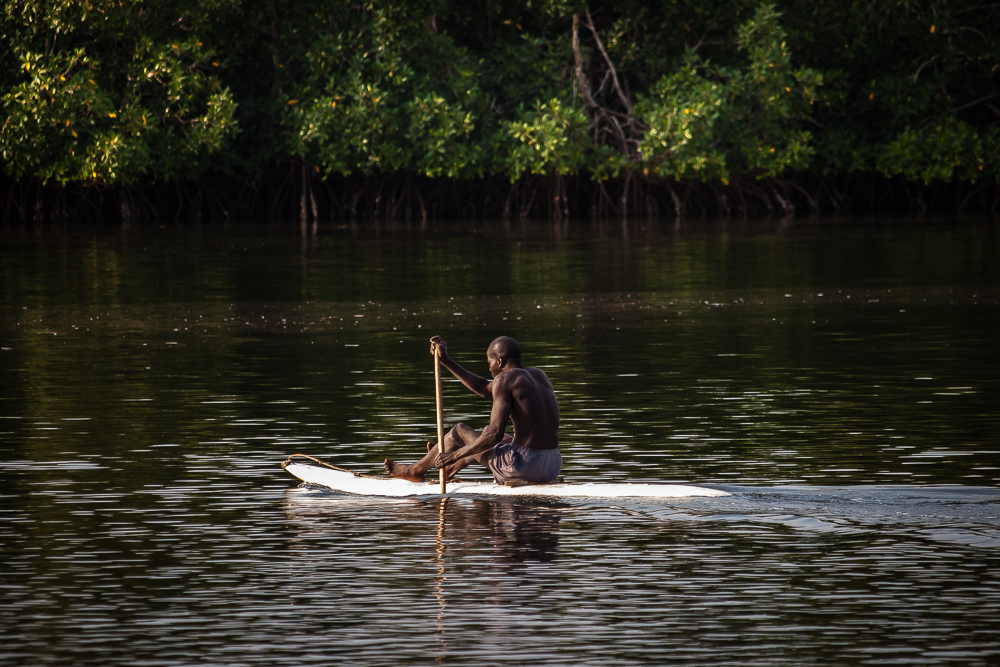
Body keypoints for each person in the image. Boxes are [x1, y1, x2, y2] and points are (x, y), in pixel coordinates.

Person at [384, 335, 561, 485]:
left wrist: (453, 455)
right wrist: (445, 360)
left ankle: (414, 470)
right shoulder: (539, 375)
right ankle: (449, 464)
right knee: (497, 438)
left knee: (459, 432)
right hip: (552, 464)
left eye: (489, 362)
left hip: (526, 467)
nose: (489, 368)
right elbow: (484, 388)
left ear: (499, 361)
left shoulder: (504, 379)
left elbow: (493, 436)